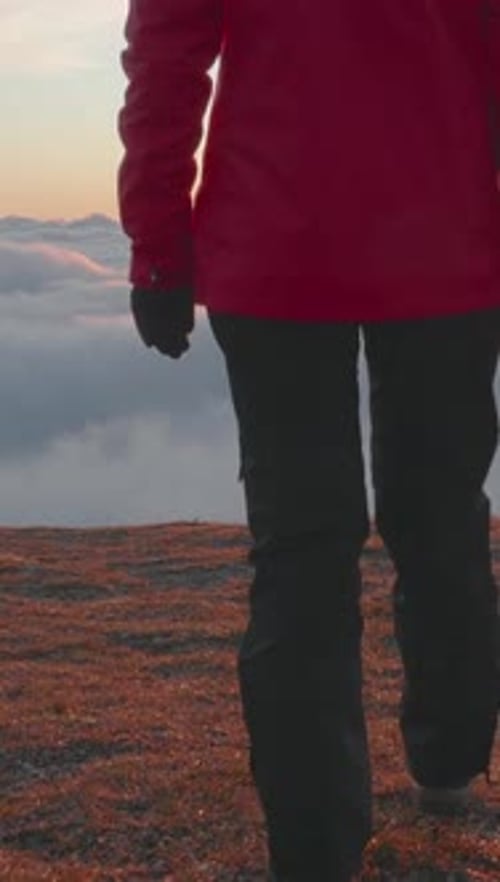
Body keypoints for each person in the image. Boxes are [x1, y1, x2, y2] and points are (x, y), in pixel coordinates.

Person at [117, 2, 500, 880]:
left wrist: (158, 245)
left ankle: (317, 851)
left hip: (275, 242)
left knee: (301, 550)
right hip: (446, 242)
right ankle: (445, 763)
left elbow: (166, 59)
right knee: (440, 518)